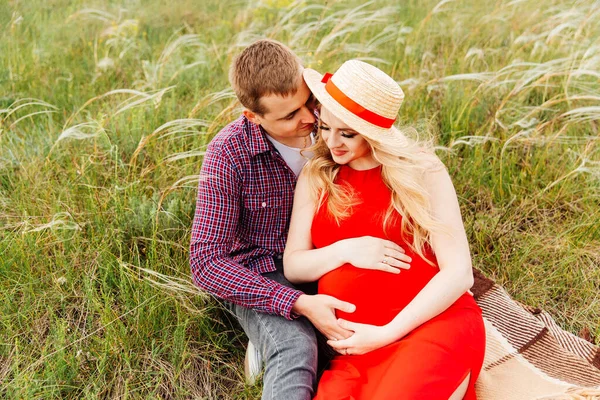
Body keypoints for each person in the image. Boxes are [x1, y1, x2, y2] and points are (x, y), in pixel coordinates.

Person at [190, 40, 403, 400]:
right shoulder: (228, 154)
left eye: (309, 101)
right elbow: (205, 263)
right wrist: (296, 303)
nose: (309, 118)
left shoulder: (330, 120)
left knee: (368, 336)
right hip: (263, 271)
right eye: (289, 115)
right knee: (297, 348)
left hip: (327, 254)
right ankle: (272, 341)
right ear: (252, 117)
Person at [283, 60, 486, 399]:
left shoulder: (422, 170)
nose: (332, 142)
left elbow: (459, 274)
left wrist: (386, 333)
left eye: (347, 133)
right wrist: (347, 249)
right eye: (326, 127)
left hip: (428, 328)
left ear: (374, 133)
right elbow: (294, 266)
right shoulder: (317, 176)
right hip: (354, 353)